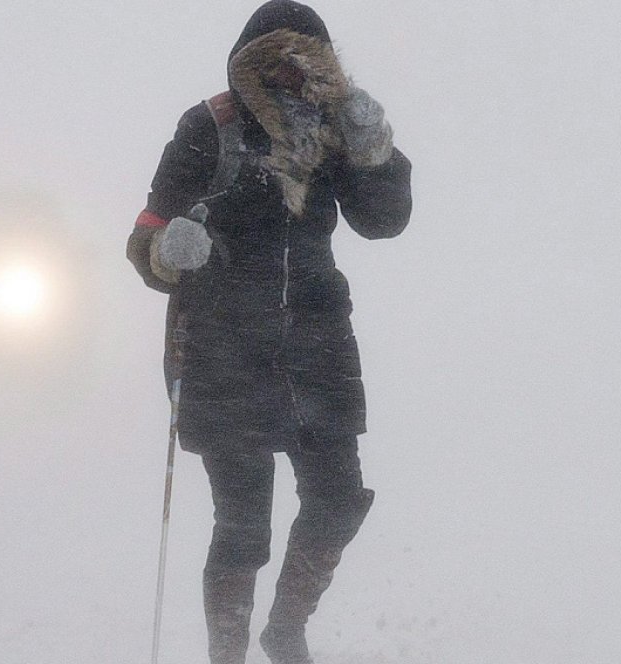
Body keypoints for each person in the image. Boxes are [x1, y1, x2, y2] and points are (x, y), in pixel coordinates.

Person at [125, 2, 412, 662]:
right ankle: (227, 654)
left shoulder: (336, 128)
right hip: (226, 343)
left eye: (307, 62)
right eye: (276, 61)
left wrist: (377, 154)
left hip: (319, 340)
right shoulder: (209, 127)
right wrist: (170, 250)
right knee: (244, 526)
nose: (291, 74)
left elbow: (383, 221)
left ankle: (285, 630)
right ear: (250, 63)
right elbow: (145, 236)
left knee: (339, 499)